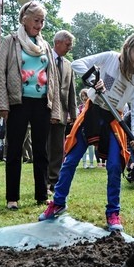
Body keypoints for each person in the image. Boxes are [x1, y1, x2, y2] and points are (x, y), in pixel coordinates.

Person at [39, 32, 134, 232]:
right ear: (127, 48)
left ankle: (113, 213)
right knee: (71, 159)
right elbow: (78, 64)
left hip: (113, 119)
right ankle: (58, 202)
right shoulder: (110, 58)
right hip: (92, 113)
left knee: (114, 165)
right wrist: (94, 80)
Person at [0, 1, 61, 210]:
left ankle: (42, 194)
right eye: (36, 20)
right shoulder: (10, 41)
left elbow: (53, 79)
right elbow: (0, 73)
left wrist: (55, 109)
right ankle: (12, 197)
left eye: (42, 21)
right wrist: (2, 104)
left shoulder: (45, 45)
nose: (40, 25)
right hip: (18, 103)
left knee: (41, 150)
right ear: (24, 19)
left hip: (42, 103)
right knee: (14, 150)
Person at [46, 30, 77, 193]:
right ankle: (43, 180)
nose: (70, 48)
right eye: (68, 44)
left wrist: (74, 114)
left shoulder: (68, 65)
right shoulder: (44, 58)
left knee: (58, 148)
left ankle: (54, 181)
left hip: (63, 113)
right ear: (57, 42)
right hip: (45, 111)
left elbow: (72, 91)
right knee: (44, 147)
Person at [78, 89, 96, 169]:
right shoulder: (80, 107)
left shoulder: (92, 106)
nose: (84, 98)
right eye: (82, 96)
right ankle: (84, 163)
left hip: (91, 128)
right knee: (83, 146)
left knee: (91, 147)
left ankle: (91, 163)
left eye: (85, 95)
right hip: (82, 128)